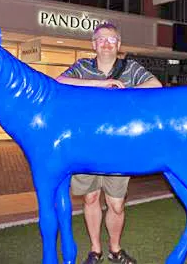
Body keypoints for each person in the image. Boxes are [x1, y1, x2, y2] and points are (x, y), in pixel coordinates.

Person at [56, 22, 162, 264]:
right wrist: (100, 85)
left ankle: (115, 250)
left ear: (119, 44)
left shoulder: (130, 68)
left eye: (111, 39)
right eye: (101, 39)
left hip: (119, 146)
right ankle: (96, 250)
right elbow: (59, 82)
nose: (106, 43)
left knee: (116, 203)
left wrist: (125, 93)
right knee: (90, 199)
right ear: (93, 44)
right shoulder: (83, 66)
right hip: (87, 145)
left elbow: (155, 86)